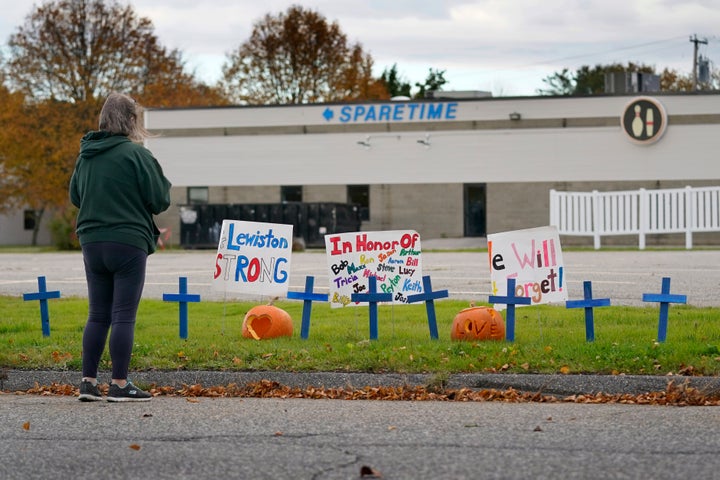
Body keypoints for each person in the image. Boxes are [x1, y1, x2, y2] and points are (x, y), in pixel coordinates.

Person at [69, 92, 171, 402]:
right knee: (123, 315)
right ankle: (120, 383)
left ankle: (87, 382)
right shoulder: (137, 155)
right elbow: (160, 199)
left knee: (97, 314)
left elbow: (76, 196)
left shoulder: (86, 155)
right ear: (130, 121)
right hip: (127, 241)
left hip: (91, 241)